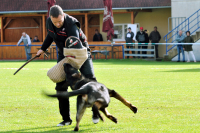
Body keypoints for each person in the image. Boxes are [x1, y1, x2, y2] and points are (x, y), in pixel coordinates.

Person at [36, 5, 99, 127]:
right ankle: (66, 119)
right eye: (55, 22)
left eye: (60, 21)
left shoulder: (71, 24)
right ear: (50, 19)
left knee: (91, 81)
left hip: (81, 52)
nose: (58, 24)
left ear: (63, 15)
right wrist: (42, 49)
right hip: (64, 53)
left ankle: (96, 112)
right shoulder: (50, 22)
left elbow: (74, 45)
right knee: (60, 86)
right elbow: (50, 35)